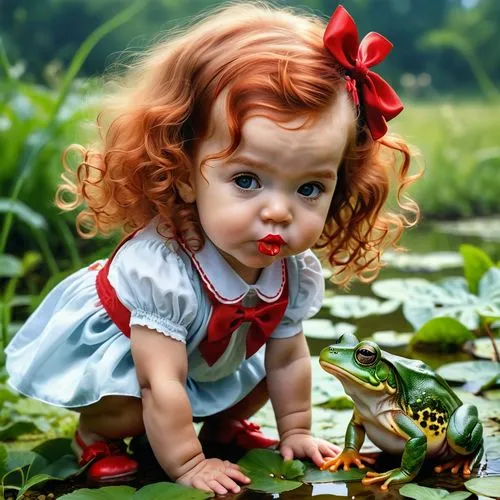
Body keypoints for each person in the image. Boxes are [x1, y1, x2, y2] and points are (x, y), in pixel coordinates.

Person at [6, 2, 421, 495]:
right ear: (183, 174)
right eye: (247, 180)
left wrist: (297, 430)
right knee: (137, 404)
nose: (279, 212)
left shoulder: (292, 270)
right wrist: (188, 465)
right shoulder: (161, 272)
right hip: (126, 369)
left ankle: (224, 428)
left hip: (204, 362)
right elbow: (159, 382)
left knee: (276, 363)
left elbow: (288, 359)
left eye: (309, 188)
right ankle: (96, 437)